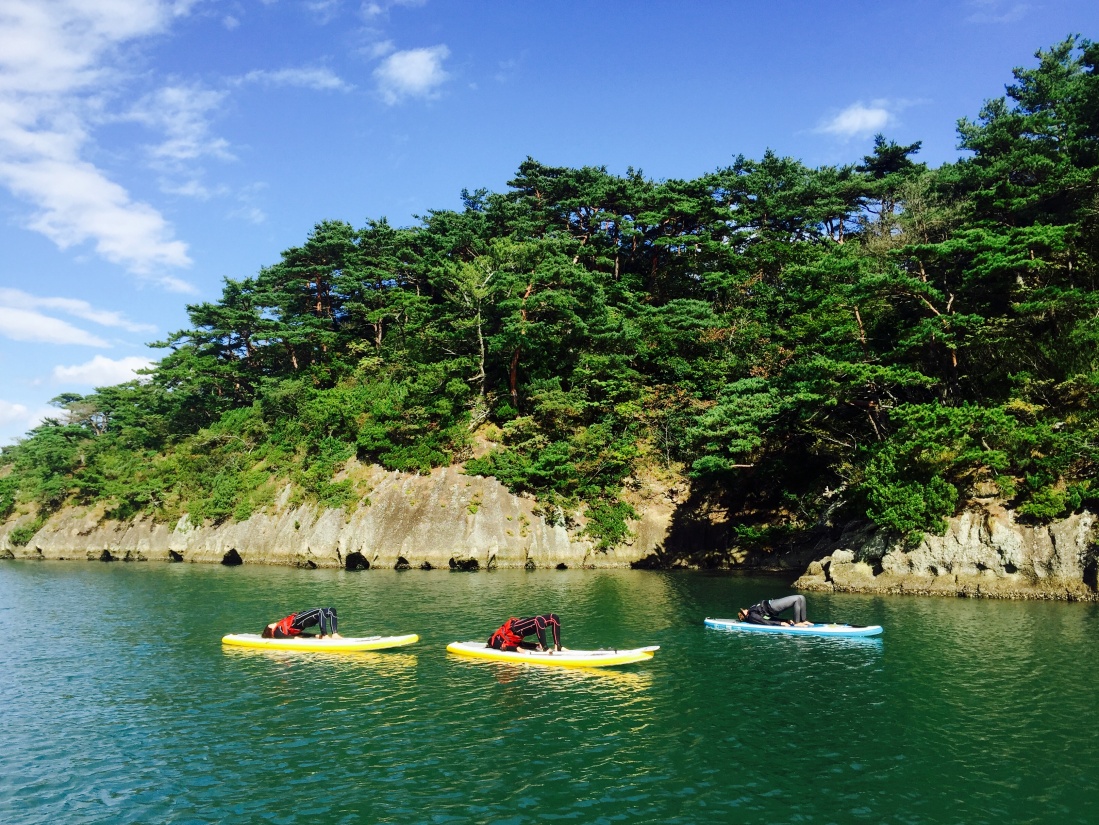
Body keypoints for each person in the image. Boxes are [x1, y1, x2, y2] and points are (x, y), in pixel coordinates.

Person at [487, 614, 562, 652]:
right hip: (520, 631)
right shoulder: (494, 642)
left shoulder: (495, 640)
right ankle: (545, 647)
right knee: (544, 619)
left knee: (554, 618)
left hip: (515, 627)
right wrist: (535, 646)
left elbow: (504, 647)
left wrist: (516, 648)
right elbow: (520, 644)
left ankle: (558, 645)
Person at [261, 607, 342, 639]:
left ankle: (335, 633)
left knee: (332, 610)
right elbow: (281, 636)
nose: (273, 623)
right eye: (270, 625)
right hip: (298, 620)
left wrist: (315, 635)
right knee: (320, 611)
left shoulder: (282, 629)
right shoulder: (275, 631)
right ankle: (325, 635)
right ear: (270, 629)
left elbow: (302, 634)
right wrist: (294, 638)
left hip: (302, 622)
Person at [737, 595, 813, 627]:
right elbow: (764, 622)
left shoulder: (752, 611)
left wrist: (785, 620)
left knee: (802, 597)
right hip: (772, 606)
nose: (744, 609)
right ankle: (797, 623)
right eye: (743, 611)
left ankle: (803, 620)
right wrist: (780, 623)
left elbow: (769, 618)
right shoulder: (752, 616)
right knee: (797, 599)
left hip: (773, 603)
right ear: (744, 615)